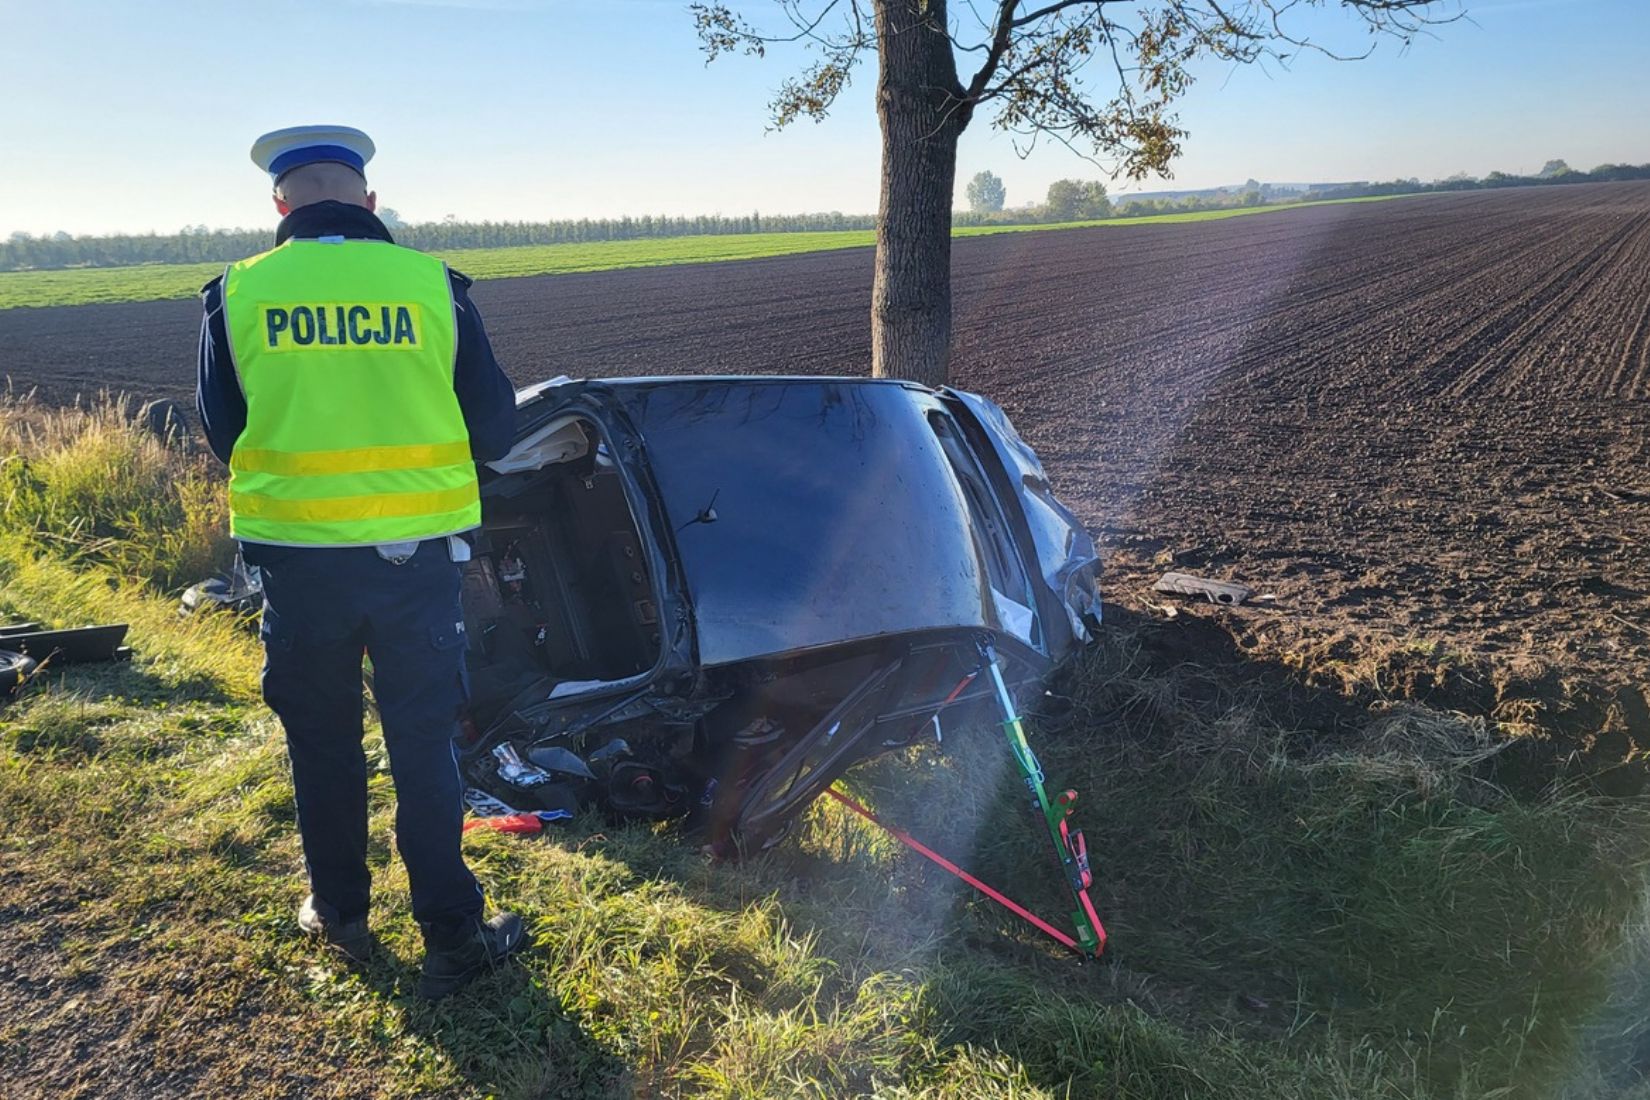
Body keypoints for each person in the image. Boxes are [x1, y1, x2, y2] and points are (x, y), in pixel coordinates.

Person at [195, 125, 523, 999]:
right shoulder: (432, 288)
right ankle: (453, 934)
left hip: (299, 567)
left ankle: (340, 914)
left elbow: (225, 432)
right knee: (423, 743)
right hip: (416, 565)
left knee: (323, 742)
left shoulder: (234, 296)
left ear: (279, 205)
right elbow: (495, 425)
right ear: (369, 202)